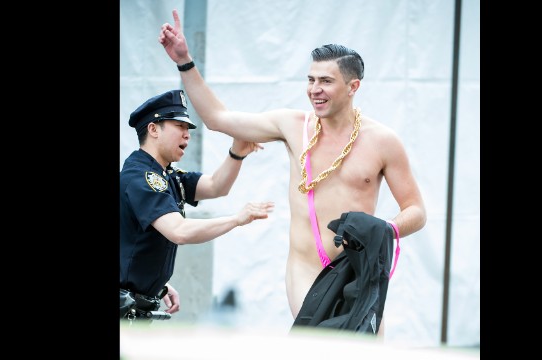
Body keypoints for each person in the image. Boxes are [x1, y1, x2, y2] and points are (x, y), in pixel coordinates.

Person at [158, 9, 426, 336]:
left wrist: (381, 228)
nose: (315, 89)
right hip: (307, 270)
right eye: (311, 80)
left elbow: (416, 211)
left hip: (360, 269)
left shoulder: (383, 141)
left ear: (353, 85)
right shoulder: (292, 126)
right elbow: (217, 118)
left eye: (326, 81)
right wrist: (184, 61)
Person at [120, 89, 275, 323]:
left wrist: (237, 153)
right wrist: (236, 219)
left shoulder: (166, 175)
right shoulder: (141, 177)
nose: (187, 135)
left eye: (188, 129)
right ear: (153, 129)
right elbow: (179, 231)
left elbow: (215, 186)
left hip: (136, 308)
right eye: (179, 127)